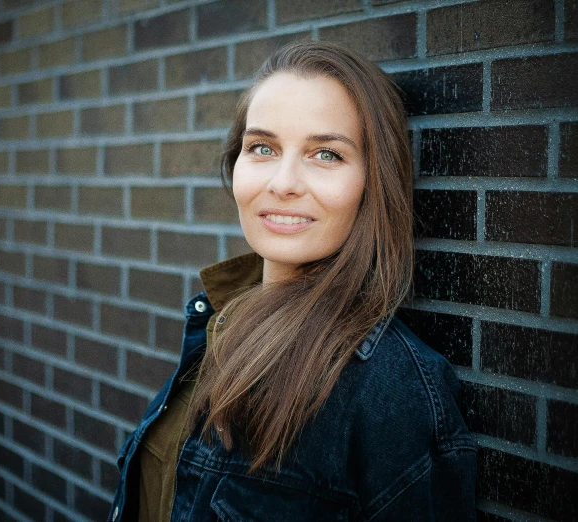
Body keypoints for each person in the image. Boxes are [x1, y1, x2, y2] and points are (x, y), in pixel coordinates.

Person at [108, 40, 477, 522]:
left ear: (374, 181)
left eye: (325, 154)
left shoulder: (390, 391)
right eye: (262, 147)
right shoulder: (220, 321)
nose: (283, 183)